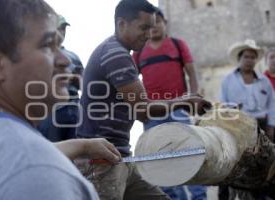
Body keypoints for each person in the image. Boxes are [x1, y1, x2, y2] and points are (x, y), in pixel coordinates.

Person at [0, 0, 121, 199]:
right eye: (47, 45)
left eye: (60, 45)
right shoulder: (34, 170)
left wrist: (81, 146)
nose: (65, 60)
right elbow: (26, 164)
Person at [77, 0, 211, 199]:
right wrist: (185, 101)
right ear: (122, 24)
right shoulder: (115, 54)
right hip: (101, 160)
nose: (149, 34)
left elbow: (137, 107)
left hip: (119, 155)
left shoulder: (120, 53)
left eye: (152, 27)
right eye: (144, 27)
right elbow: (142, 109)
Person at [132, 8, 206, 200]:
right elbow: (131, 77)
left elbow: (191, 72)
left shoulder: (178, 45)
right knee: (159, 161)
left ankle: (199, 197)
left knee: (190, 156)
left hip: (179, 110)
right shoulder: (139, 52)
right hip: (152, 113)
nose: (154, 26)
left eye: (158, 21)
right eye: (151, 23)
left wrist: (194, 96)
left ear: (166, 23)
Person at [219, 39, 275, 200]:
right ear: (240, 58)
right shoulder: (228, 80)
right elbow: (223, 105)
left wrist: (271, 126)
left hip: (261, 128)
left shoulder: (264, 82)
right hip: (237, 127)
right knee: (232, 166)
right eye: (246, 57)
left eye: (252, 57)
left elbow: (272, 105)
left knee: (260, 166)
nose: (249, 60)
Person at [38, 15, 84, 142]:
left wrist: (75, 79)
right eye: (59, 28)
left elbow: (85, 83)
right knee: (52, 148)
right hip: (52, 110)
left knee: (75, 150)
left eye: (64, 28)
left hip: (73, 108)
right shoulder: (40, 54)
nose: (62, 32)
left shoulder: (72, 57)